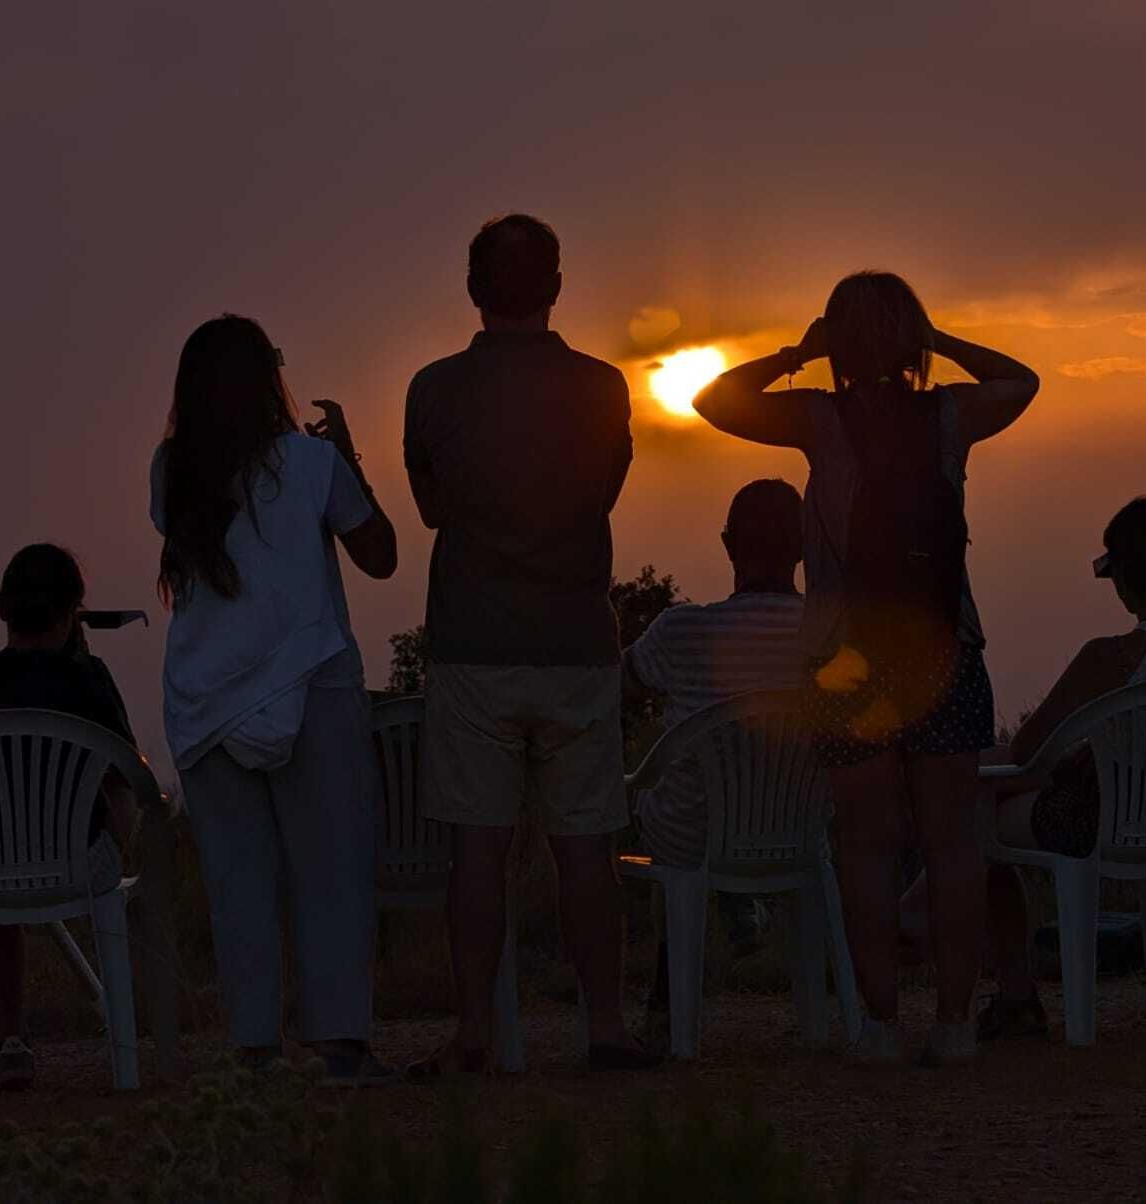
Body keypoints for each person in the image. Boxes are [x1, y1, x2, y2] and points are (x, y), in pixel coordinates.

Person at [695, 271, 1040, 1065]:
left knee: (865, 845)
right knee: (952, 844)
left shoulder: (818, 419)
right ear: (913, 339)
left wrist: (797, 354)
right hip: (945, 647)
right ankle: (955, 1023)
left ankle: (880, 1024)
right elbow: (1022, 381)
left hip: (846, 657)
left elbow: (713, 401)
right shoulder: (951, 415)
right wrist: (939, 341)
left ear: (837, 343)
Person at [403, 214, 655, 1074]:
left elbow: (430, 509)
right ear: (556, 288)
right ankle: (605, 1028)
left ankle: (475, 1035)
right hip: (576, 644)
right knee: (586, 850)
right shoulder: (604, 387)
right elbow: (603, 496)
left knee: (477, 851)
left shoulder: (433, 389)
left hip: (472, 646)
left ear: (474, 289)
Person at [153, 314, 398, 1084]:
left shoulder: (171, 470)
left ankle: (255, 1049)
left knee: (239, 884)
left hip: (204, 697)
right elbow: (381, 556)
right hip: (311, 679)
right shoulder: (315, 462)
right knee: (332, 870)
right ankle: (342, 1047)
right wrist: (347, 457)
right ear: (269, 379)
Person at [933, 499, 1146, 1039]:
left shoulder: (1110, 656)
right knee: (1004, 785)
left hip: (1095, 823)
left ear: (1120, 575)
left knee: (980, 817)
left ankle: (1016, 995)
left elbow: (1027, 748)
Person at [0, 544, 140, 1090]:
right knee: (113, 803)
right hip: (81, 864)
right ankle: (125, 1047)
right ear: (72, 610)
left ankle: (12, 1036)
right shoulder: (88, 679)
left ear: (3, 609)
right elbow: (125, 775)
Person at [623, 479, 807, 1029]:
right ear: (804, 547)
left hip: (690, 834)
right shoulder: (829, 634)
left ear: (729, 546)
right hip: (798, 831)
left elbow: (615, 684)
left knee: (663, 825)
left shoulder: (682, 630)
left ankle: (667, 999)